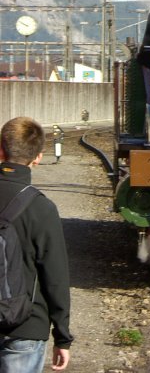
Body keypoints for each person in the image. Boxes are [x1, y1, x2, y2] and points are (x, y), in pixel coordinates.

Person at [0, 117, 73, 372]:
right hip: (26, 327)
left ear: (1, 150)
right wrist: (62, 336)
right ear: (38, 157)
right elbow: (55, 277)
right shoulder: (42, 208)